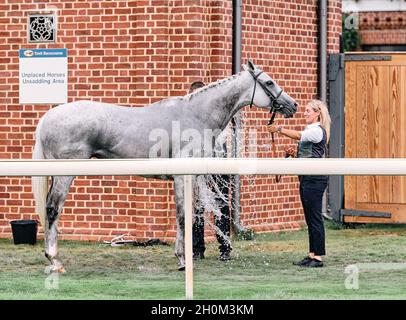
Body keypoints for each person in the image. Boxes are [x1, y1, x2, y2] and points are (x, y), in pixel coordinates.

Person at [268, 99, 331, 268]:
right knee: (310, 217)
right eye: (305, 111)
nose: (305, 113)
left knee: (315, 217)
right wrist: (294, 153)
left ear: (317, 113)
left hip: (314, 179)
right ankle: (312, 254)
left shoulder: (317, 130)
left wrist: (279, 129)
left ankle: (317, 257)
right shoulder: (312, 129)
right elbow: (308, 152)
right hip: (307, 177)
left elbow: (298, 136)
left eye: (308, 111)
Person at [188, 81, 232, 262]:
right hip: (196, 164)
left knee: (221, 205)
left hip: (218, 163)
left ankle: (225, 247)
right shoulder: (188, 116)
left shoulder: (217, 113)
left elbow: (221, 137)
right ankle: (197, 248)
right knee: (196, 206)